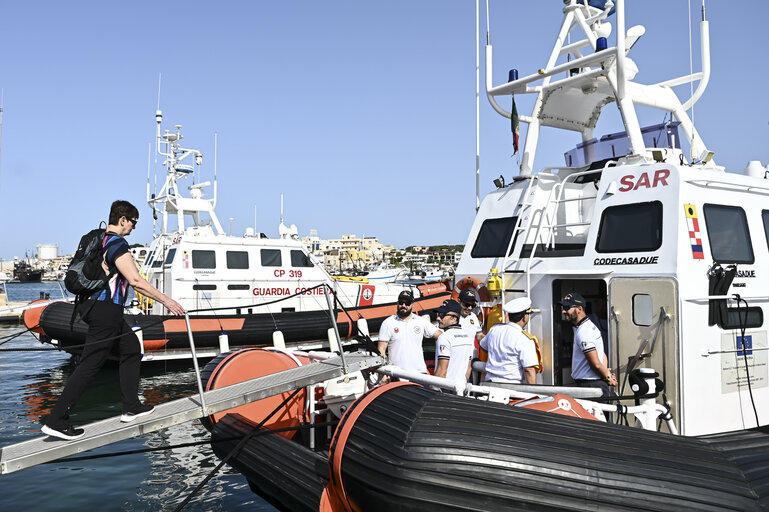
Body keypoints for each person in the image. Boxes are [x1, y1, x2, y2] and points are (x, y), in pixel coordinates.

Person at [42, 200, 185, 441]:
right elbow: (136, 280)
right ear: (123, 220)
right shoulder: (117, 243)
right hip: (105, 309)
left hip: (96, 307)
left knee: (130, 348)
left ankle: (131, 406)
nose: (133, 227)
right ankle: (57, 420)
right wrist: (167, 301)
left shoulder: (101, 241)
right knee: (90, 364)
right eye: (133, 222)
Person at [559, 292, 617, 397]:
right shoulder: (587, 326)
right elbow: (602, 353)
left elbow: (596, 364)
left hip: (590, 386)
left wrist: (608, 378)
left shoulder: (584, 331)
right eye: (563, 307)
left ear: (579, 309)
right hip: (593, 383)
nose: (563, 311)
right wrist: (606, 374)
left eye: (567, 308)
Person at [479, 297, 541, 385]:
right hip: (510, 387)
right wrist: (534, 394)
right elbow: (529, 370)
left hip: (490, 384)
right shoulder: (525, 339)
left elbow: (483, 346)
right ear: (525, 317)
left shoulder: (494, 330)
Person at [378, 290, 441, 374]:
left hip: (419, 372)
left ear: (412, 304)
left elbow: (440, 336)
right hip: (397, 373)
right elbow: (381, 349)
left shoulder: (420, 321)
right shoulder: (388, 323)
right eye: (401, 302)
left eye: (407, 303)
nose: (403, 305)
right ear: (397, 303)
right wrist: (384, 373)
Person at [433, 300, 474, 388]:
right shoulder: (468, 337)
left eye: (442, 315)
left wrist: (434, 390)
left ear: (454, 319)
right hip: (461, 388)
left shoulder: (444, 337)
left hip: (446, 389)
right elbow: (468, 369)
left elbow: (442, 372)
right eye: (438, 314)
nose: (438, 318)